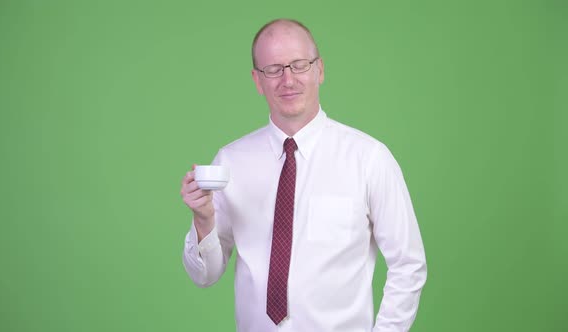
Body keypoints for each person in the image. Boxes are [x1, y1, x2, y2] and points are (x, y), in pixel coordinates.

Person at [180, 18, 427, 332]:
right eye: (273, 69)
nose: (288, 80)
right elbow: (205, 275)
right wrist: (203, 220)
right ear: (257, 80)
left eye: (299, 65)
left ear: (319, 70)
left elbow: (409, 264)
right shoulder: (230, 162)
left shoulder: (369, 158)